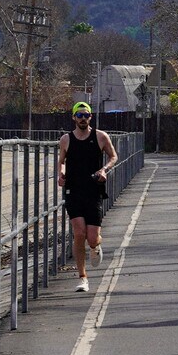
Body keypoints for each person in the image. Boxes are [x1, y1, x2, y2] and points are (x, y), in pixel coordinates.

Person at [57, 102, 117, 293]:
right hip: (73, 191)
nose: (83, 119)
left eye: (86, 115)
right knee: (79, 233)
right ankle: (82, 277)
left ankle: (95, 246)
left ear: (91, 117)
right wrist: (61, 174)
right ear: (74, 117)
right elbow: (61, 162)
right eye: (80, 115)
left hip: (93, 191)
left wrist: (104, 170)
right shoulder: (66, 139)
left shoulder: (100, 137)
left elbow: (113, 156)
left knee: (92, 237)